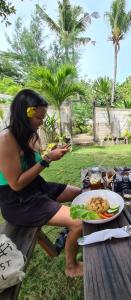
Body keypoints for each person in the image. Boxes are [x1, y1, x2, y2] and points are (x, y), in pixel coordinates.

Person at [0, 89, 83, 277]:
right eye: (39, 117)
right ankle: (71, 267)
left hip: (36, 187)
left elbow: (35, 160)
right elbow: (16, 184)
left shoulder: (29, 134)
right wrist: (46, 160)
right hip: (19, 202)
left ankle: (75, 234)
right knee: (78, 222)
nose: (42, 122)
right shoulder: (6, 140)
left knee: (81, 193)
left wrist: (51, 152)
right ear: (25, 114)